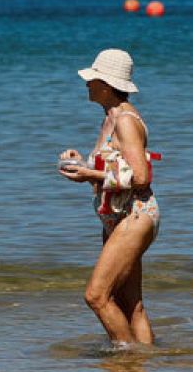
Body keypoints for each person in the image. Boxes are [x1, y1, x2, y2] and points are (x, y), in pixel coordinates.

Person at [58, 49, 160, 346]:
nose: (86, 85)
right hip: (118, 218)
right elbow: (116, 168)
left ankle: (126, 362)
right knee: (131, 304)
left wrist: (92, 176)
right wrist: (84, 165)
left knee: (96, 296)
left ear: (106, 84)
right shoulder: (110, 117)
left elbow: (141, 178)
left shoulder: (126, 121)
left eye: (91, 80)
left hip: (135, 215)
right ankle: (144, 366)